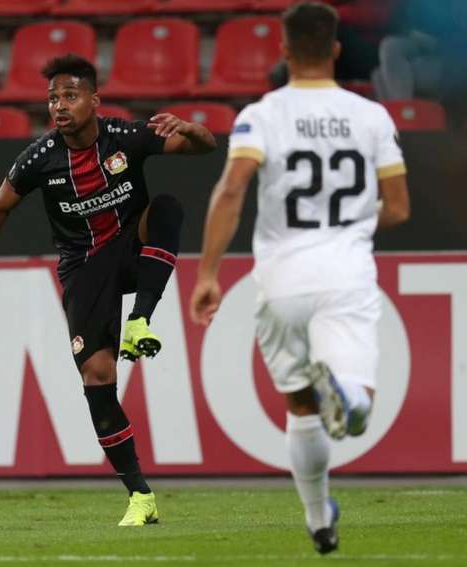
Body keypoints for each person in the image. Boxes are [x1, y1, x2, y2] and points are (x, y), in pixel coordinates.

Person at [0, 54, 216, 526]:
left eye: (70, 95)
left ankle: (141, 320)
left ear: (94, 100)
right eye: (52, 98)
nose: (59, 106)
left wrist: (189, 127)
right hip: (83, 270)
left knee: (166, 207)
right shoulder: (40, 157)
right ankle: (140, 497)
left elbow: (206, 147)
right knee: (98, 378)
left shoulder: (126, 137)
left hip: (132, 250)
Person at [190, 2, 409, 554]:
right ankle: (354, 402)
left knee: (301, 404)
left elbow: (233, 189)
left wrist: (208, 273)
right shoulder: (372, 117)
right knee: (353, 396)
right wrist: (356, 222)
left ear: (284, 51)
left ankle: (318, 521)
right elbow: (399, 207)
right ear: (335, 50)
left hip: (282, 280)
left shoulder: (260, 116)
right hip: (346, 275)